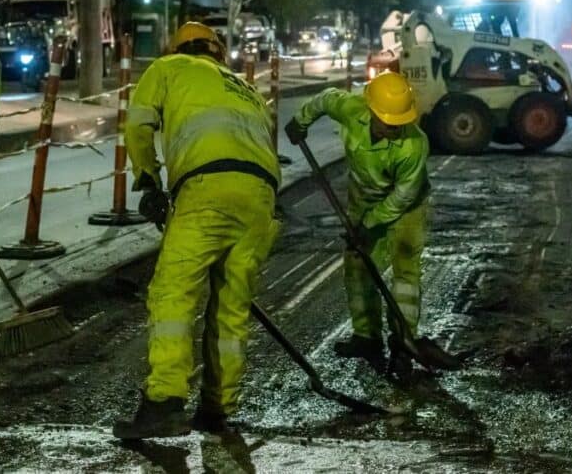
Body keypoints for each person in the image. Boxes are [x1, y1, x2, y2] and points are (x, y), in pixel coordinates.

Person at [114, 22, 281, 439]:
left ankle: (165, 402)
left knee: (175, 292)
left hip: (207, 189)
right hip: (260, 196)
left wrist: (148, 179)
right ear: (218, 52)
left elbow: (138, 124)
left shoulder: (169, 66)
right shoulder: (247, 89)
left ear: (179, 47)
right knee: (231, 306)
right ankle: (217, 407)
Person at [284, 72, 430, 377]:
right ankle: (366, 337)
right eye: (387, 120)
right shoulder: (351, 108)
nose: (393, 127)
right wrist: (300, 121)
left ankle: (404, 340)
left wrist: (370, 225)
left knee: (405, 271)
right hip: (362, 198)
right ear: (372, 111)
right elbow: (324, 99)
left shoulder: (413, 145)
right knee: (358, 267)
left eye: (398, 121)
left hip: (405, 208)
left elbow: (403, 196)